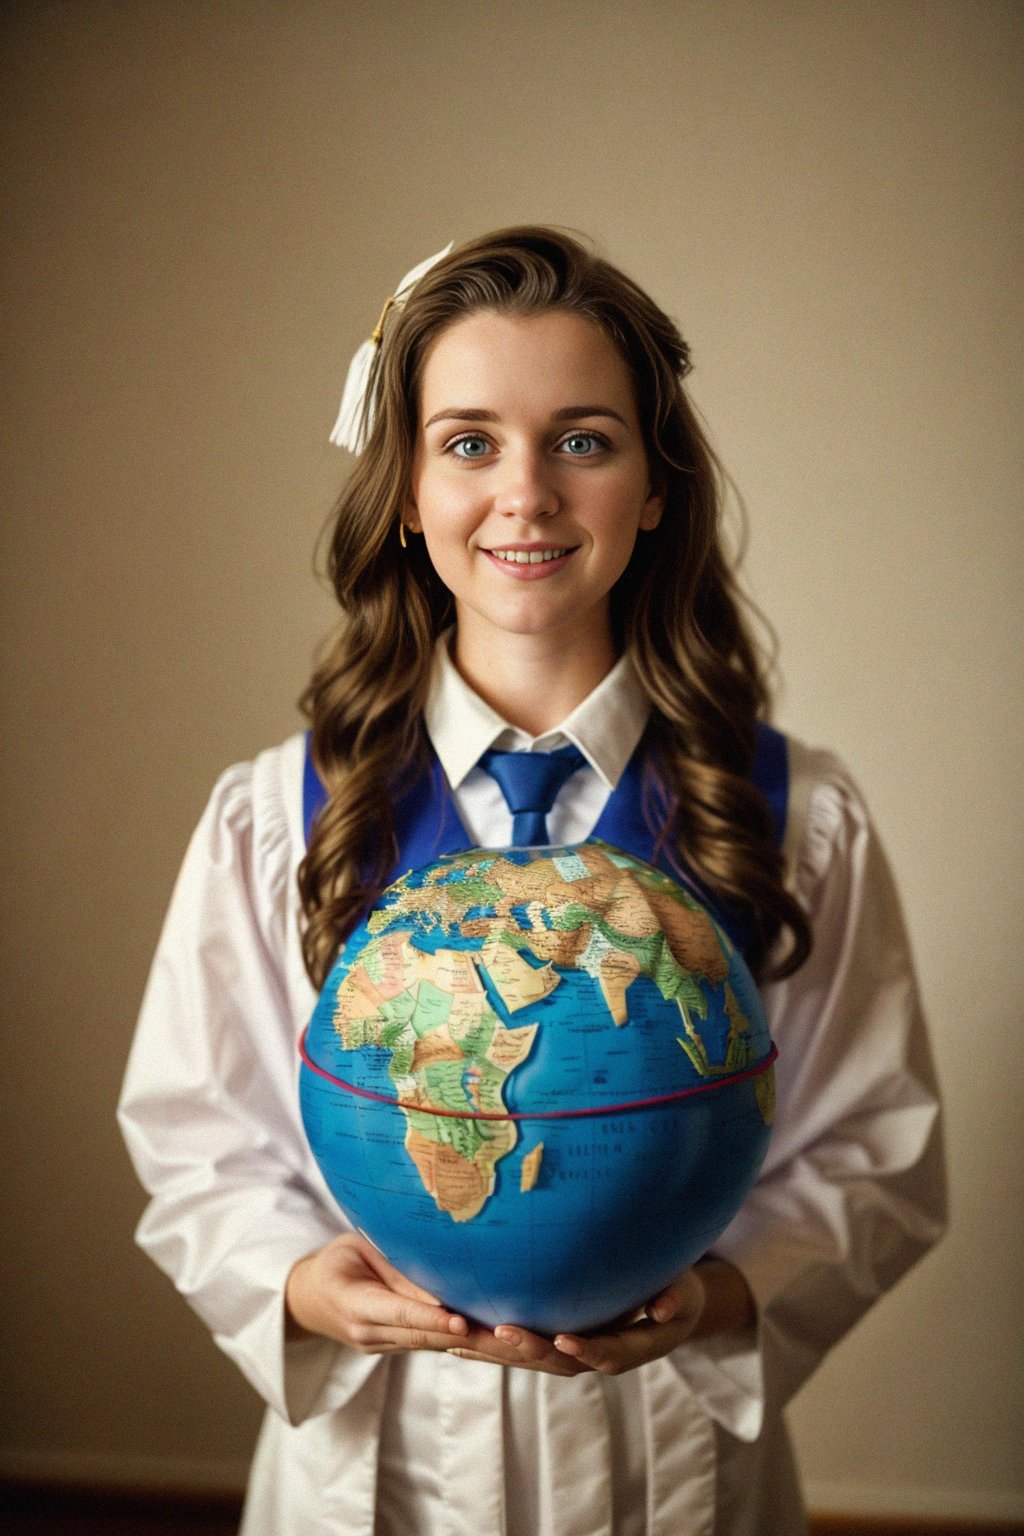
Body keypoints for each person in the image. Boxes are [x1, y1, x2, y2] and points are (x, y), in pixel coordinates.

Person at [118, 227, 946, 1536]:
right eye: (468, 442)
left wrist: (727, 1293)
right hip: (379, 1475)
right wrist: (299, 1285)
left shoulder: (791, 818)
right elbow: (196, 1132)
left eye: (584, 439)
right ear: (402, 490)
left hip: (668, 1475)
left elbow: (877, 1147)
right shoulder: (281, 815)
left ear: (655, 485)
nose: (527, 494)